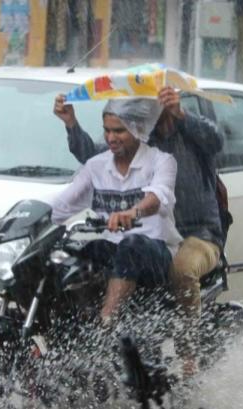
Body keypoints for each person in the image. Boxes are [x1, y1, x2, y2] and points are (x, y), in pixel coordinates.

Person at [53, 86, 224, 377]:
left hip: (197, 233)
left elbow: (216, 140)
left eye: (153, 107)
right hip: (146, 233)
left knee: (182, 270)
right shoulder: (137, 143)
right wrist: (72, 124)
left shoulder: (186, 139)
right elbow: (95, 157)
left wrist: (181, 113)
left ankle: (187, 354)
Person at [50, 98, 181, 328]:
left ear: (138, 129)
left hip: (154, 253)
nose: (111, 138)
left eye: (119, 131)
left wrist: (133, 213)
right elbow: (62, 204)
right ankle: (72, 325)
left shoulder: (162, 161)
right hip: (113, 247)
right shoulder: (95, 166)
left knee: (131, 246)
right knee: (74, 253)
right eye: (107, 131)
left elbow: (158, 196)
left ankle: (106, 323)